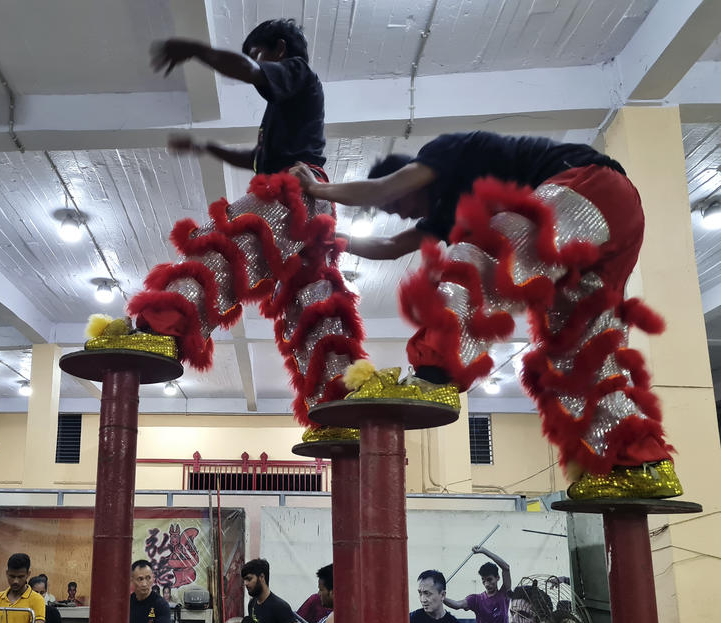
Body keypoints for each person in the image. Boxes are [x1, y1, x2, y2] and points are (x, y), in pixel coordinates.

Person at [291, 131, 682, 500]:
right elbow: (392, 247)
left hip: (588, 187)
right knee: (578, 349)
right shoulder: (443, 216)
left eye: (397, 205)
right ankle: (635, 463)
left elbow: (380, 189)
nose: (399, 213)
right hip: (613, 224)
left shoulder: (448, 153)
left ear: (409, 178)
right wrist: (328, 239)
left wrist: (314, 190)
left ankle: (434, 377)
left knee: (477, 256)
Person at [85, 19, 366, 439]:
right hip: (313, 205)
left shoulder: (299, 73)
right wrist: (206, 148)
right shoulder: (289, 107)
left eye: (259, 53)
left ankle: (159, 330)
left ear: (280, 48)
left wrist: (199, 51)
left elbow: (253, 73)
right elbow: (255, 156)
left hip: (298, 189)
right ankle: (338, 409)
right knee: (310, 304)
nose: (256, 64)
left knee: (226, 247)